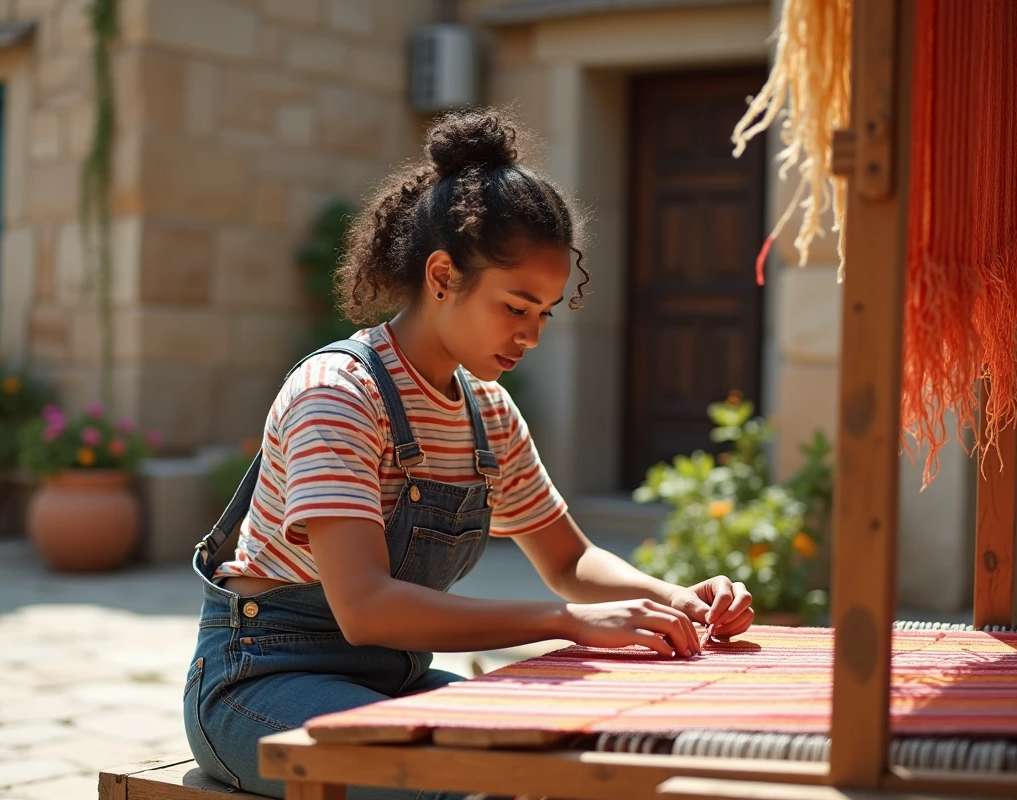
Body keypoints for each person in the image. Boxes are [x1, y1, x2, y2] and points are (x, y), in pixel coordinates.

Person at [184, 108, 754, 800]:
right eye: (515, 307)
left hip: (394, 680)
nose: (532, 336)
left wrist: (678, 603)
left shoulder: (487, 412)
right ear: (443, 276)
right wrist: (565, 622)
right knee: (467, 788)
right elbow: (365, 608)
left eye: (543, 313)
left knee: (578, 759)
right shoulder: (338, 393)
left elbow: (569, 561)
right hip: (264, 685)